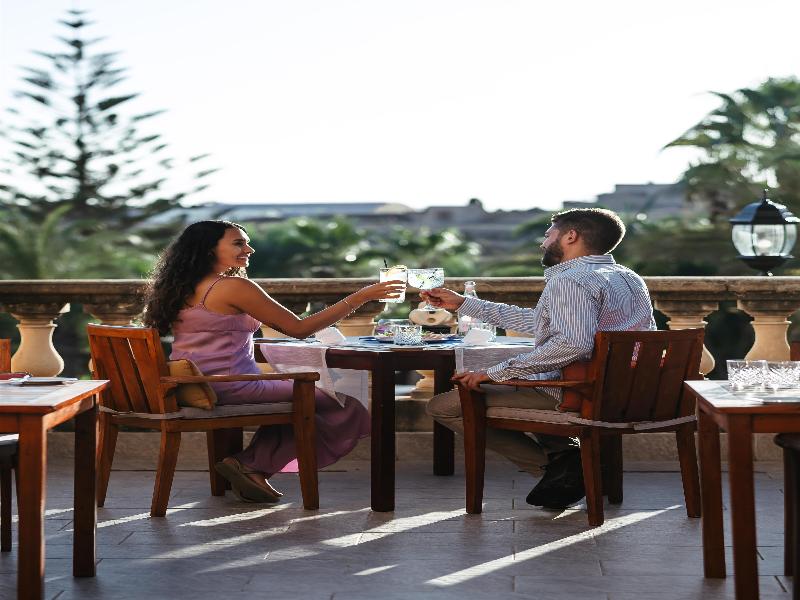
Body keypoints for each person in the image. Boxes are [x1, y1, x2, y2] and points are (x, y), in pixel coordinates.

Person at [142, 220, 404, 503]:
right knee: (340, 404)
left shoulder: (179, 287)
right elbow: (299, 329)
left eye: (247, 242)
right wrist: (361, 297)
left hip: (189, 384)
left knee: (295, 400)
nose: (249, 249)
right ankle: (250, 464)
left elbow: (214, 337)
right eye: (238, 243)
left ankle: (252, 466)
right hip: (231, 386)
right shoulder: (233, 287)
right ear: (208, 249)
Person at [422, 208, 655, 509]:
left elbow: (572, 343)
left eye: (548, 235)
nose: (543, 243)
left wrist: (495, 373)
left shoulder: (571, 280)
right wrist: (464, 303)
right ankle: (568, 461)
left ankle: (564, 472)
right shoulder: (629, 277)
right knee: (530, 380)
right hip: (630, 391)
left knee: (445, 406)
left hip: (585, 393)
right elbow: (542, 323)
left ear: (571, 236)